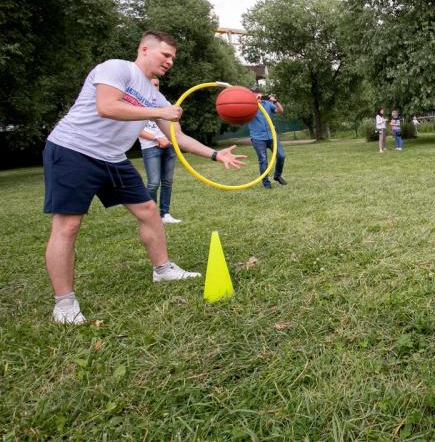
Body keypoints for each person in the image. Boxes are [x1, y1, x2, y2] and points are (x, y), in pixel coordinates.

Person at [44, 30, 246, 325]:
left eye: (173, 58)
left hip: (113, 157)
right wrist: (158, 110)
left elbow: (178, 137)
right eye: (166, 55)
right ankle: (64, 303)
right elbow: (107, 106)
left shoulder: (154, 95)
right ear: (144, 49)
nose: (170, 62)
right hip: (74, 149)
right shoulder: (117, 68)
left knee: (149, 210)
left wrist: (216, 155)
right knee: (68, 224)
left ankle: (162, 269)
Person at [138, 78, 182, 223]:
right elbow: (137, 130)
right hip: (151, 147)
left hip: (169, 146)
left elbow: (174, 125)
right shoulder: (138, 104)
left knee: (167, 181)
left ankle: (165, 214)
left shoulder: (165, 104)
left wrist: (170, 139)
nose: (153, 87)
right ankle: (151, 216)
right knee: (153, 183)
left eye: (156, 84)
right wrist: (157, 139)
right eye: (150, 84)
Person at [248, 91, 287, 188]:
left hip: (271, 136)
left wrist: (275, 102)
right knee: (263, 160)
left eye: (259, 93)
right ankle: (266, 183)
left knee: (281, 156)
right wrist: (255, 103)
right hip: (258, 138)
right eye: (255, 94)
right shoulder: (249, 106)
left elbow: (281, 111)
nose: (258, 95)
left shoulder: (268, 104)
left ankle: (277, 176)